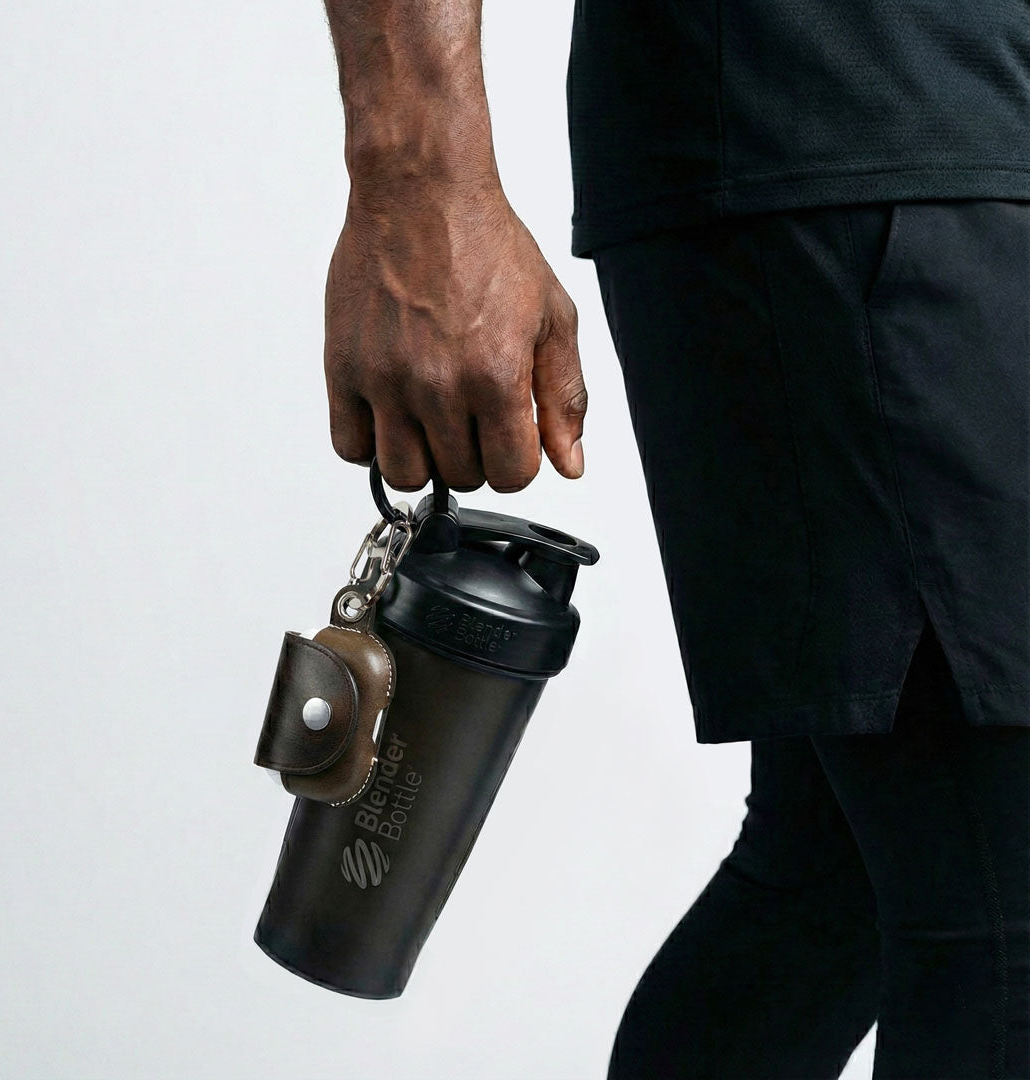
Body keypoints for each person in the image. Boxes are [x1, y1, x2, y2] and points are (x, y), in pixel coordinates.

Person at [318, 1, 1030, 1076]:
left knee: (841, 869)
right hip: (841, 118)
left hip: (970, 116)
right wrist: (418, 178)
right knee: (1001, 893)